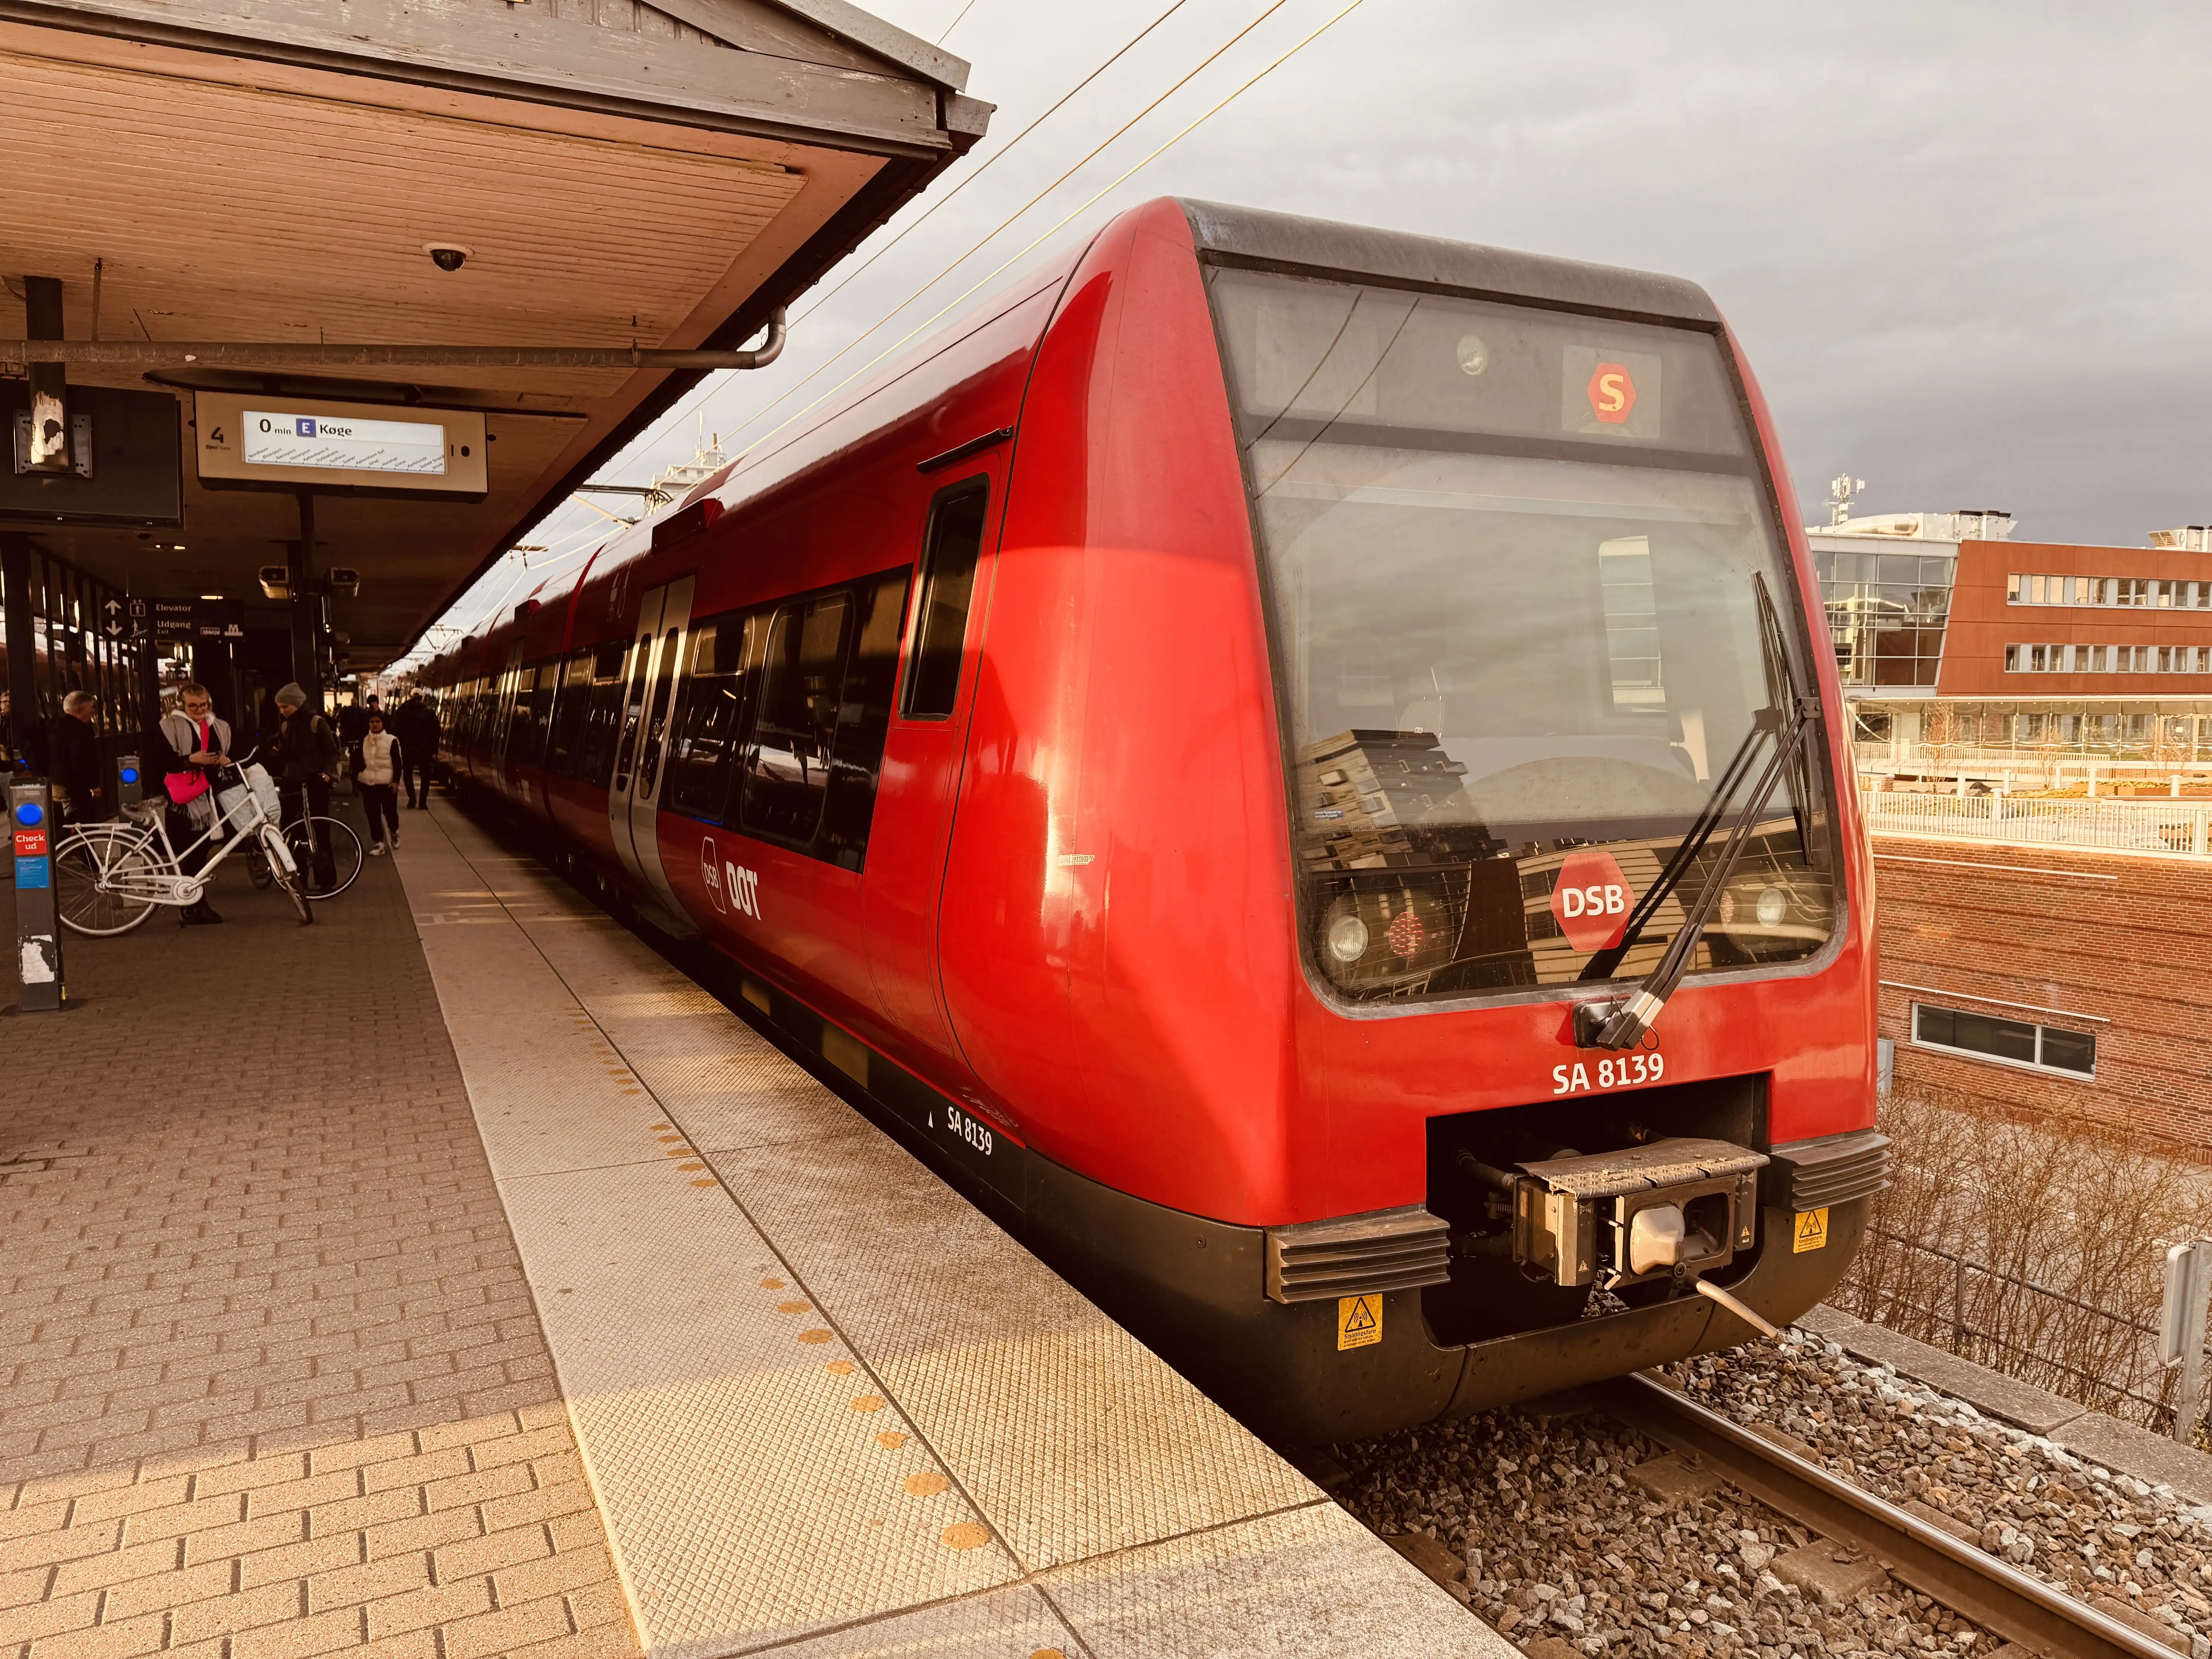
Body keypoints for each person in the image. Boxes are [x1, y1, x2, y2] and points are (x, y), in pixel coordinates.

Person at [153, 681, 234, 926]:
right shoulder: (169, 726)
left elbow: (229, 751)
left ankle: (193, 902)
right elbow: (160, 761)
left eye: (204, 705)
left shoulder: (219, 726)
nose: (200, 710)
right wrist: (190, 760)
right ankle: (192, 904)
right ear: (182, 705)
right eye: (193, 706)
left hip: (211, 795)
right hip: (184, 800)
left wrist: (223, 760)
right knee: (193, 851)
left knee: (201, 851)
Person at [271, 682, 340, 892]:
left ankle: (325, 879)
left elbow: (332, 751)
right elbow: (288, 754)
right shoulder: (285, 727)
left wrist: (328, 774)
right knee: (294, 831)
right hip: (292, 783)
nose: (283, 712)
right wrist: (278, 753)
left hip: (315, 782)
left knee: (319, 830)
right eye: (281, 708)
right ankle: (298, 877)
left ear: (297, 704)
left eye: (286, 707)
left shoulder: (316, 723)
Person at [50, 690, 107, 825]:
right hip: (74, 791)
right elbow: (81, 763)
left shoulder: (55, 728)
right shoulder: (78, 732)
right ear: (81, 710)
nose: (93, 711)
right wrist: (92, 786)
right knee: (78, 826)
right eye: (91, 707)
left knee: (65, 825)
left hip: (59, 788)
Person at [357, 709, 402, 855]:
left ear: (383, 723)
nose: (375, 725)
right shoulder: (364, 741)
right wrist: (359, 777)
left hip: (386, 783)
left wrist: (396, 782)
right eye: (372, 722)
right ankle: (379, 843)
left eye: (378, 722)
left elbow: (397, 763)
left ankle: (394, 832)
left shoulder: (392, 740)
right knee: (373, 815)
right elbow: (358, 761)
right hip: (368, 783)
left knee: (390, 813)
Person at [395, 693, 439, 809]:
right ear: (421, 700)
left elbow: (395, 729)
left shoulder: (402, 712)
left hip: (407, 748)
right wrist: (434, 749)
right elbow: (435, 731)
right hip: (424, 749)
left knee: (408, 774)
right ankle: (423, 802)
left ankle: (412, 799)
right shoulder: (429, 713)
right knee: (426, 776)